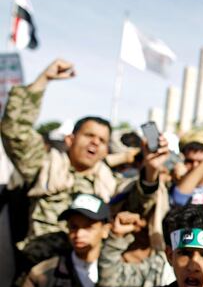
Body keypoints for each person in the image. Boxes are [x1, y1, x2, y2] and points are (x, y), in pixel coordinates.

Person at [0, 59, 167, 266]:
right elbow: (14, 131)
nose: (95, 143)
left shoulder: (110, 184)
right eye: (89, 135)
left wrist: (151, 169)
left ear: (107, 150)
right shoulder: (44, 165)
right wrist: (43, 80)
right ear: (70, 139)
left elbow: (139, 204)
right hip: (39, 271)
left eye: (102, 140)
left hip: (86, 280)